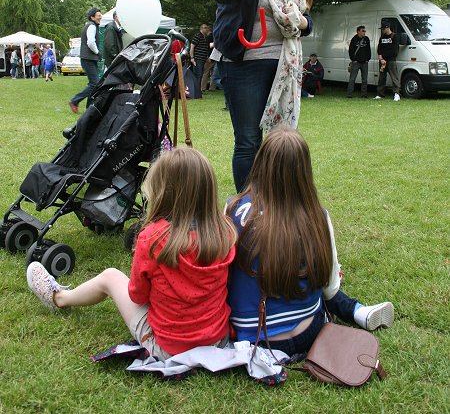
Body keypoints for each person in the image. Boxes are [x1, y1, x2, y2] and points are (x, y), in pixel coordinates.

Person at [26, 147, 236, 360]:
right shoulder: (225, 232)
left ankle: (59, 298)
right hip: (217, 341)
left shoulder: (152, 237)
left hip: (167, 348)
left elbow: (137, 295)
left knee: (110, 277)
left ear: (162, 190)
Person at [226, 126, 394, 357]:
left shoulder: (232, 207)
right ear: (304, 171)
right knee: (325, 292)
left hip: (249, 335)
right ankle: (357, 311)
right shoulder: (318, 215)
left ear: (260, 163)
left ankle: (357, 311)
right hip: (308, 332)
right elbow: (330, 286)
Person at [211, 0, 313, 191]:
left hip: (283, 65)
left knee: (282, 140)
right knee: (248, 139)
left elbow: (305, 18)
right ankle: (247, 205)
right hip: (243, 65)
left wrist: (302, 23)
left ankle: (276, 202)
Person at [69, 7, 102, 114]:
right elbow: (91, 42)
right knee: (94, 84)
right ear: (92, 17)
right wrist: (97, 52)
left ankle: (89, 107)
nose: (100, 16)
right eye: (98, 15)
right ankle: (75, 101)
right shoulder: (92, 26)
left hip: (88, 58)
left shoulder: (91, 26)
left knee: (94, 84)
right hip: (88, 58)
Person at [374, 21, 400, 101]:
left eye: (383, 28)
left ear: (387, 28)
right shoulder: (382, 38)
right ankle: (380, 94)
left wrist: (386, 58)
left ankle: (396, 94)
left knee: (394, 78)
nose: (382, 30)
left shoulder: (395, 37)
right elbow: (379, 49)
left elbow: (395, 51)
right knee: (381, 78)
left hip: (391, 61)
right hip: (382, 61)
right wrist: (381, 58)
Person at [347, 26, 371, 98]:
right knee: (352, 79)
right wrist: (353, 60)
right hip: (356, 62)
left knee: (364, 79)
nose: (364, 32)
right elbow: (351, 50)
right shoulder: (354, 39)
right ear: (358, 31)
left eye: (365, 31)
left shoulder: (366, 39)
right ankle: (349, 94)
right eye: (363, 31)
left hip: (364, 62)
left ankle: (364, 94)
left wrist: (368, 59)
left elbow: (368, 50)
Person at [201, 27, 216, 92]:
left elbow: (208, 47)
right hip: (215, 57)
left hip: (210, 57)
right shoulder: (215, 36)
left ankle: (203, 87)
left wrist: (207, 56)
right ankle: (212, 87)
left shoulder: (209, 37)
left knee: (206, 72)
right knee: (213, 73)